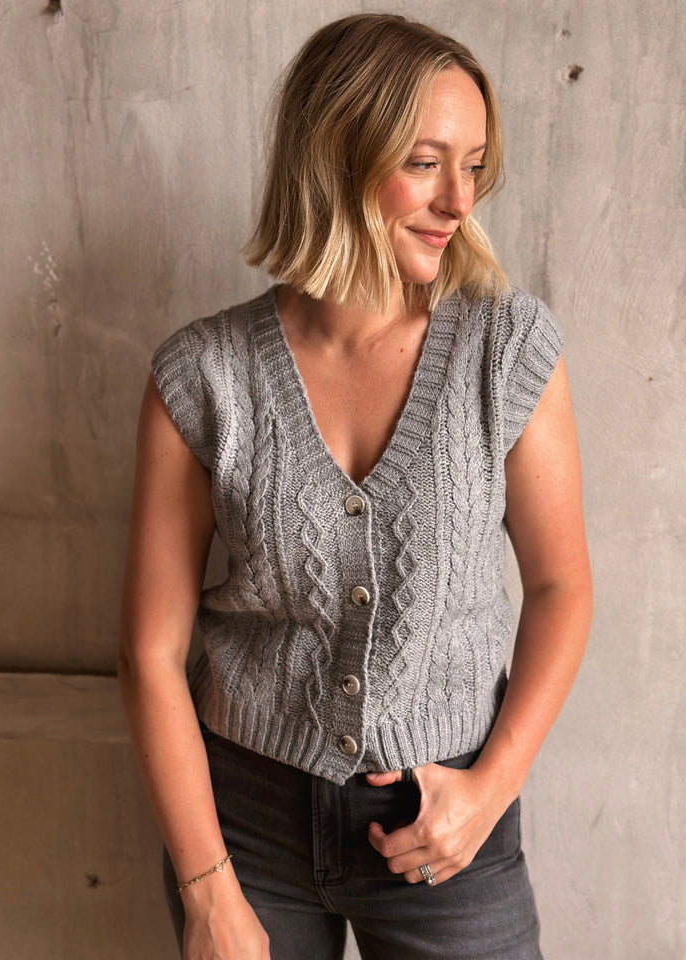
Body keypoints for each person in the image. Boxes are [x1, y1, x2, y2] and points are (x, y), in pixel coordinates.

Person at [118, 13, 592, 960]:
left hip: (447, 815)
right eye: (425, 162)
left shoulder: (505, 350)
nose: (459, 200)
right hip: (242, 824)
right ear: (337, 155)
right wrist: (209, 893)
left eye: (475, 165)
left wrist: (491, 786)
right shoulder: (203, 377)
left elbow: (561, 588)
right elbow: (149, 653)